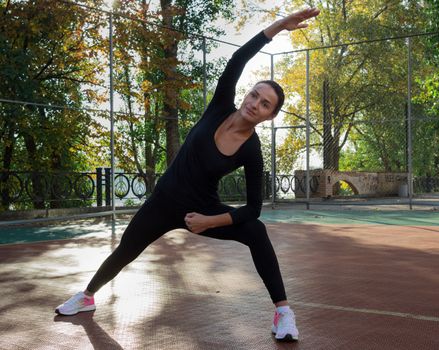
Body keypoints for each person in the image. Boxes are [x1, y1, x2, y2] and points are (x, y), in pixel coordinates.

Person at [55, 8, 320, 342]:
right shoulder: (220, 106)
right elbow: (238, 57)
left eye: (265, 104)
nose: (255, 103)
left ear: (269, 116)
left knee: (256, 230)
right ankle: (88, 296)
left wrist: (210, 222)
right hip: (164, 201)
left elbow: (253, 208)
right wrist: (279, 27)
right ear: (246, 94)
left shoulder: (252, 151)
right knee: (126, 248)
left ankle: (283, 312)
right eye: (255, 94)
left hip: (201, 209)